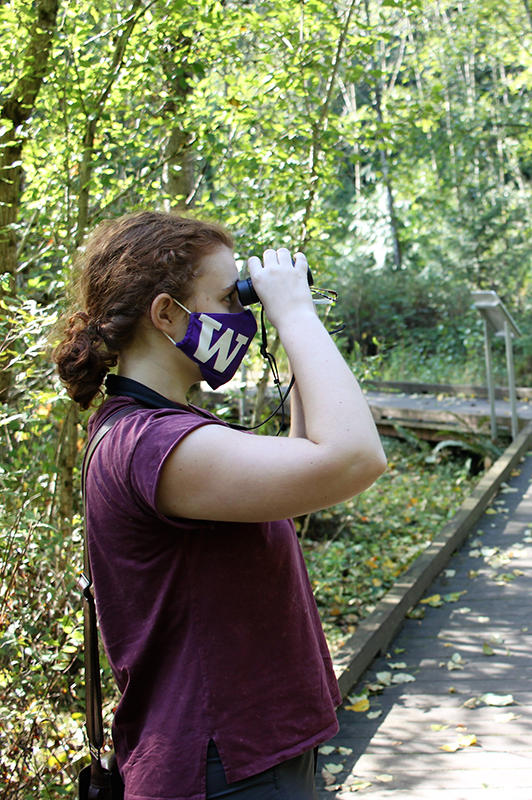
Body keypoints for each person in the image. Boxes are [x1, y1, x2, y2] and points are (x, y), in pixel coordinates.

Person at [53, 211, 387, 799]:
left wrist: (290, 329)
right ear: (165, 315)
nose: (240, 317)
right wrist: (295, 314)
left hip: (237, 755)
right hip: (222, 764)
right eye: (227, 297)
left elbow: (307, 467)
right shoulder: (154, 445)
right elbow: (353, 457)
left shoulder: (155, 433)